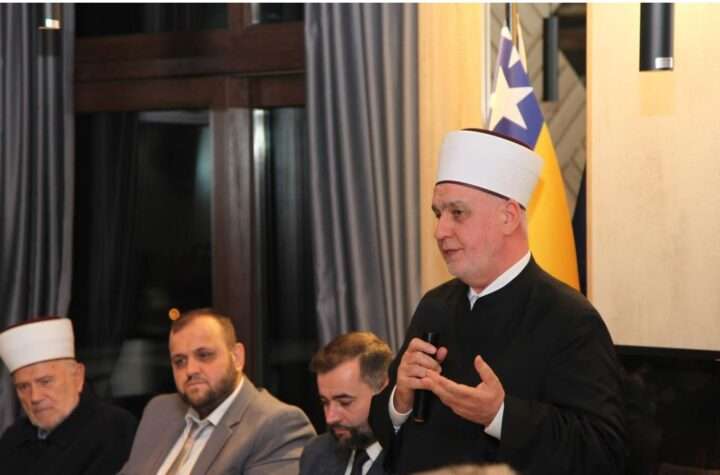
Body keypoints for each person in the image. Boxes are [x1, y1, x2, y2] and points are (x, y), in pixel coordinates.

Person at [368, 129, 625, 474]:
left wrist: (500, 415)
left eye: (457, 213)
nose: (440, 231)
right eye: (438, 213)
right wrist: (400, 400)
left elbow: (602, 450)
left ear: (508, 217)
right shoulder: (435, 306)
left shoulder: (570, 319)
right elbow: (385, 431)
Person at [120, 308, 315, 475]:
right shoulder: (160, 410)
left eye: (204, 355)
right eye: (180, 361)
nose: (190, 370)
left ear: (237, 357)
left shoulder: (277, 425)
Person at [0, 317, 138, 475]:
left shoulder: (114, 428)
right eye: (23, 387)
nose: (35, 397)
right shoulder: (14, 438)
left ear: (77, 376)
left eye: (45, 382)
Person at [300, 332, 393, 475]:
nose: (330, 418)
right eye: (325, 402)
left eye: (344, 403)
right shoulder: (316, 453)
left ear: (383, 391)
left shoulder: (412, 459)